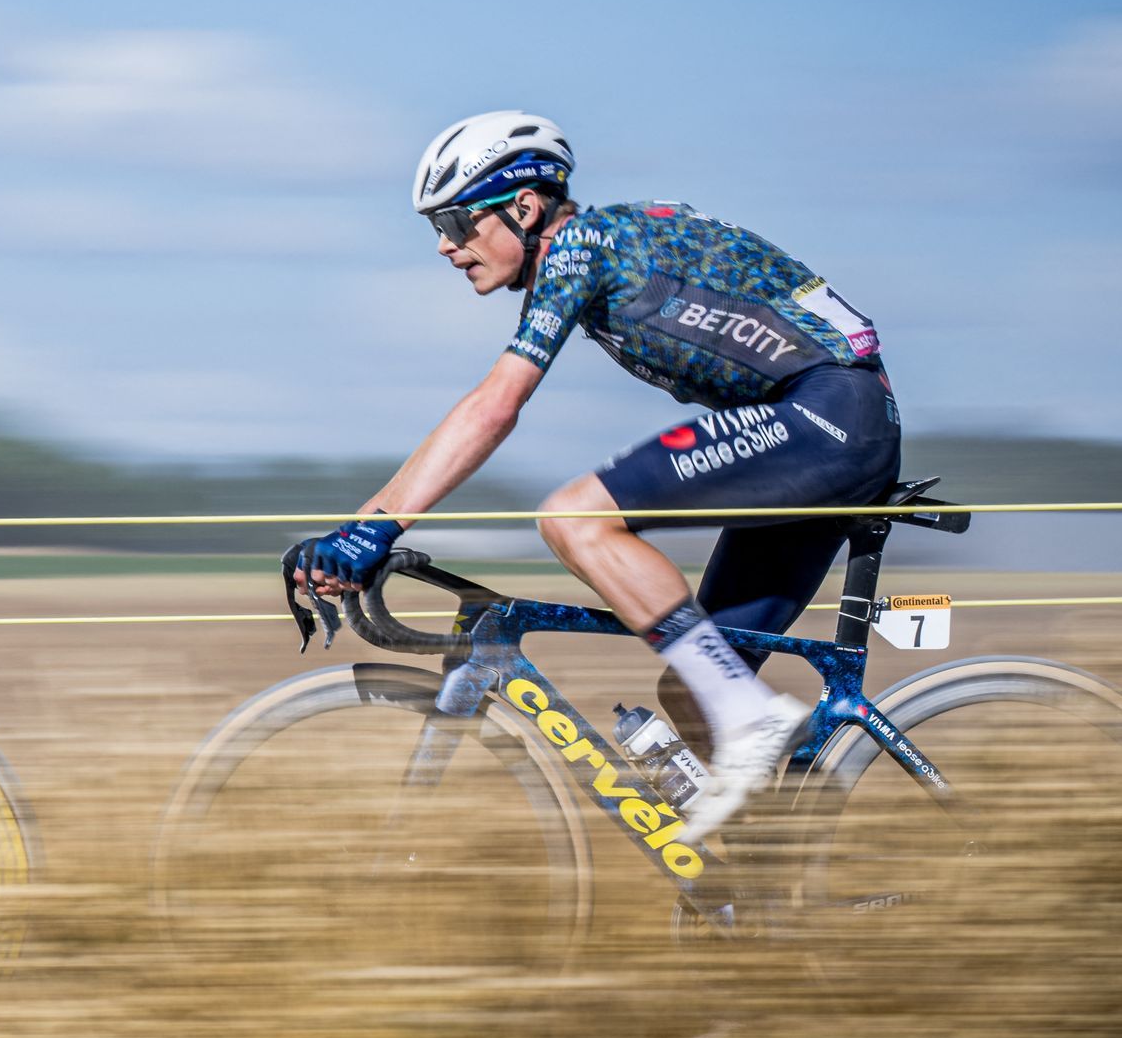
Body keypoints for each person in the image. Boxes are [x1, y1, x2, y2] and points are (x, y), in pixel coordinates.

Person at [296, 111, 899, 841]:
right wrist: (367, 522)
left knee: (575, 517)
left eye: (455, 223)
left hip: (829, 415)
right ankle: (778, 885)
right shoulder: (597, 249)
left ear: (523, 207)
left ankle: (753, 720)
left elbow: (496, 404)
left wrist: (373, 528)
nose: (446, 248)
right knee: (694, 688)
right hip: (823, 426)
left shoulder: (580, 244)